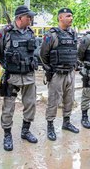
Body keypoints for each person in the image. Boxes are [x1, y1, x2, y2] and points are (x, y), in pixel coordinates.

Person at [0, 5, 38, 151]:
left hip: (29, 76)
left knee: (30, 104)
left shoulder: (31, 33)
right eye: (28, 17)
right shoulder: (5, 32)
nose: (31, 19)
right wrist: (10, 66)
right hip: (12, 77)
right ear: (20, 18)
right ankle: (7, 135)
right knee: (8, 107)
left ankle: (25, 131)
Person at [40, 8, 79, 141]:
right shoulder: (51, 35)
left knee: (69, 99)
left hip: (70, 73)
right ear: (60, 18)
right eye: (68, 16)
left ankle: (66, 122)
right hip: (57, 74)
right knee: (53, 101)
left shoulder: (73, 34)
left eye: (71, 16)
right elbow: (43, 55)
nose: (71, 18)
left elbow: (75, 52)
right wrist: (49, 70)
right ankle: (50, 126)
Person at [78, 31, 90, 129]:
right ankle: (84, 116)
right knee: (87, 94)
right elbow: (80, 54)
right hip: (89, 71)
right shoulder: (87, 38)